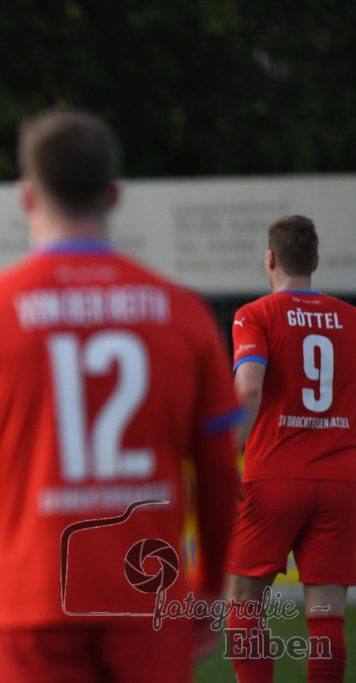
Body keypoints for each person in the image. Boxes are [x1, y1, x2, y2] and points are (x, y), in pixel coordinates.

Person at [0, 108, 242, 682]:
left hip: (27, 599)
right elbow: (217, 471)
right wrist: (210, 587)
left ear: (27, 196)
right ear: (114, 195)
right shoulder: (183, 314)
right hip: (147, 597)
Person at [226, 215, 356, 683]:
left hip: (274, 478)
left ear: (271, 259)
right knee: (327, 615)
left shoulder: (255, 315)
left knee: (244, 599)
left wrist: (225, 459)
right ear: (316, 262)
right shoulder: (351, 320)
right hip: (340, 481)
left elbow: (246, 391)